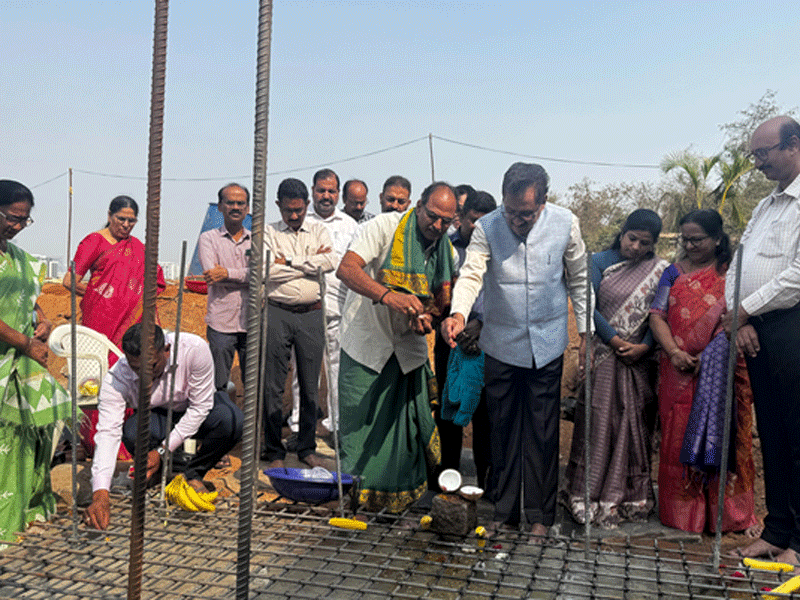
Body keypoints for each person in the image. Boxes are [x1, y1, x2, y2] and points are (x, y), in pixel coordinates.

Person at [442, 162, 590, 539]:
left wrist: (586, 332)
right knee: (503, 429)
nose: (516, 221)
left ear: (542, 204)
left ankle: (540, 515)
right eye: (510, 212)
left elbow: (579, 279)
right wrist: (459, 312)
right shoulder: (488, 226)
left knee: (542, 431)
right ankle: (504, 514)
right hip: (501, 344)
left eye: (525, 214)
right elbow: (472, 273)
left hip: (548, 342)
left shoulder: (565, 223)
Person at [337, 181, 457, 512]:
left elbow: (435, 306)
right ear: (418, 206)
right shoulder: (384, 226)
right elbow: (346, 269)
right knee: (360, 428)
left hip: (408, 351)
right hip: (367, 344)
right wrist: (389, 296)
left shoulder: (448, 253)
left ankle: (401, 504)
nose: (437, 226)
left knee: (406, 435)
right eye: (432, 217)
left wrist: (424, 320)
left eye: (446, 222)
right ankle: (354, 500)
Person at [649, 210, 757, 534]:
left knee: (728, 434)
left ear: (717, 239)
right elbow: (657, 315)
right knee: (677, 436)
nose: (691, 245)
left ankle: (731, 516)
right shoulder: (672, 272)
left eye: (698, 239)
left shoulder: (733, 272)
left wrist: (715, 350)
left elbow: (747, 311)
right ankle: (684, 516)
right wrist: (674, 352)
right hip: (678, 369)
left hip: (724, 368)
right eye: (686, 239)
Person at [723, 116, 800, 563]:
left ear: (793, 145)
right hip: (757, 330)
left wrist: (748, 309)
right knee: (770, 433)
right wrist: (741, 318)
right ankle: (777, 531)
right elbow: (739, 263)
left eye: (763, 153)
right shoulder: (765, 206)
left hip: (792, 325)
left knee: (797, 434)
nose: (756, 163)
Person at [561, 209, 667, 528]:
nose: (635, 248)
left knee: (632, 425)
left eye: (644, 243)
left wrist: (645, 345)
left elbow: (660, 312)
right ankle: (586, 493)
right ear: (622, 233)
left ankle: (627, 494)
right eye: (631, 238)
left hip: (640, 360)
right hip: (604, 354)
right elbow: (587, 305)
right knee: (597, 422)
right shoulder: (598, 261)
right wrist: (615, 339)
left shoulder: (659, 270)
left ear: (653, 245)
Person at [84, 323, 243, 530]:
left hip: (199, 409)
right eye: (136, 368)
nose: (145, 376)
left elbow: (200, 408)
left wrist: (161, 450)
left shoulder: (194, 349)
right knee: (132, 433)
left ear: (166, 350)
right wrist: (100, 493)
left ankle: (192, 473)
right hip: (159, 414)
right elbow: (107, 432)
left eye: (151, 366)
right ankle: (167, 473)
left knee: (231, 421)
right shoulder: (118, 378)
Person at [63, 195, 166, 459]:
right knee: (97, 379)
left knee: (130, 375)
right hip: (100, 324)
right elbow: (69, 280)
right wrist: (100, 292)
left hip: (131, 327)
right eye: (121, 219)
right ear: (110, 215)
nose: (126, 225)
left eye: (132, 220)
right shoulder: (93, 242)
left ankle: (126, 440)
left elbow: (154, 282)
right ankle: (95, 441)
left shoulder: (139, 248)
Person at [0, 180, 69, 543]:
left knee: (30, 435)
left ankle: (21, 508)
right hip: (9, 358)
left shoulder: (17, 259)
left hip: (20, 362)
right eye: (12, 218)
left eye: (24, 221)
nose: (17, 226)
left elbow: (28, 299)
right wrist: (25, 343)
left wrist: (42, 320)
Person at [261, 178, 335, 470]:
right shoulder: (267, 232)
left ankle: (306, 446)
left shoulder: (319, 229)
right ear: (278, 205)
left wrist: (288, 262)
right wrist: (307, 264)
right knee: (273, 384)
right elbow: (265, 270)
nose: (294, 216)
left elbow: (329, 262)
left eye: (299, 210)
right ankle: (273, 449)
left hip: (312, 313)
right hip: (278, 312)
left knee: (309, 383)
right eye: (288, 210)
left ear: (307, 205)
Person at [286, 170, 358, 443]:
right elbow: (289, 260)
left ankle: (337, 426)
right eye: (321, 190)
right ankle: (297, 427)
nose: (326, 196)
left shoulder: (351, 225)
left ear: (338, 194)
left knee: (337, 370)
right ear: (312, 191)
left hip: (339, 308)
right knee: (303, 373)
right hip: (305, 307)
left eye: (331, 191)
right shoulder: (300, 221)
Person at [432, 189, 496, 489]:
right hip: (451, 338)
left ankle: (485, 478)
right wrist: (446, 320)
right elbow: (432, 290)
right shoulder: (444, 247)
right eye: (473, 220)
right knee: (449, 405)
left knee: (485, 412)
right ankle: (448, 475)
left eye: (486, 222)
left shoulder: (500, 250)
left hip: (489, 340)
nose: (478, 228)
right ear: (461, 217)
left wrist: (482, 323)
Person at [199, 183, 250, 393]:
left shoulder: (257, 241)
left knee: (254, 385)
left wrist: (228, 273)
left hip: (252, 323)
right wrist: (246, 275)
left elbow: (263, 275)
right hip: (221, 324)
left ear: (247, 208)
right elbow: (212, 274)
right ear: (220, 206)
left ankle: (254, 426)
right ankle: (220, 423)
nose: (235, 207)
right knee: (218, 384)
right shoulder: (208, 239)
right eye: (230, 202)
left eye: (241, 203)